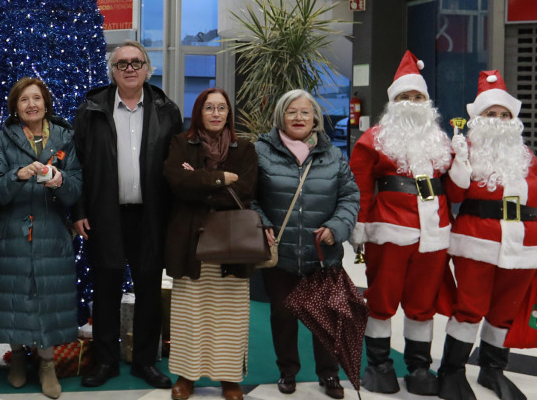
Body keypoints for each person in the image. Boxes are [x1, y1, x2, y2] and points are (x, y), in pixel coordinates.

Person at [437, 72, 537, 400]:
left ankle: (493, 369)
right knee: (470, 307)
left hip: (524, 243)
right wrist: (459, 166)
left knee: (507, 308)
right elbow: (455, 195)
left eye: (505, 115)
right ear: (478, 118)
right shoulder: (466, 149)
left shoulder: (524, 155)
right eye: (492, 114)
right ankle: (451, 370)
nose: (500, 120)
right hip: (478, 240)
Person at [73, 41, 182, 390]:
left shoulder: (167, 110)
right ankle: (104, 360)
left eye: (137, 62)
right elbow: (76, 164)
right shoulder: (91, 109)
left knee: (150, 290)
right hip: (105, 215)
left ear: (148, 68)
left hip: (152, 216)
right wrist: (78, 211)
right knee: (105, 290)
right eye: (122, 64)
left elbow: (178, 168)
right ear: (113, 72)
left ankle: (145, 362)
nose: (130, 68)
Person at [349, 52, 454, 396]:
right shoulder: (374, 139)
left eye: (417, 97)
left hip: (435, 233)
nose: (411, 103)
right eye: (405, 97)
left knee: (424, 302)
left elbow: (454, 187)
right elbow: (361, 186)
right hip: (389, 230)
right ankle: (379, 364)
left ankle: (419, 367)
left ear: (427, 102)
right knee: (382, 298)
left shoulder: (441, 140)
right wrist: (359, 227)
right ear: (393, 102)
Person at [252, 89, 359, 400]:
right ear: (280, 117)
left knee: (326, 317)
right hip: (281, 255)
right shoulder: (261, 151)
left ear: (315, 119)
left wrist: (336, 228)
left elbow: (350, 197)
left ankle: (329, 374)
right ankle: (287, 370)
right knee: (282, 317)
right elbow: (249, 197)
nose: (298, 118)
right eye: (291, 112)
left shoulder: (333, 155)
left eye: (305, 112)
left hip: (322, 256)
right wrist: (262, 224)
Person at [0, 78, 84, 399]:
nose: (31, 104)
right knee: (15, 298)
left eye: (37, 98)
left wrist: (59, 180)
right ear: (14, 107)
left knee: (47, 300)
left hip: (52, 232)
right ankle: (17, 356)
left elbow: (76, 189)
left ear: (46, 103)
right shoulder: (1, 139)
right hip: (13, 232)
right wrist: (18, 175)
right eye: (24, 100)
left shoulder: (65, 138)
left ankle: (46, 365)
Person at [162, 88, 258, 400]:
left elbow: (245, 189)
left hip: (232, 244)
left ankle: (229, 379)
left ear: (229, 113)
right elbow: (176, 183)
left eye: (221, 108)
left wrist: (200, 179)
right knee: (190, 314)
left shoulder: (244, 148)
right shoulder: (181, 143)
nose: (216, 114)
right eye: (209, 108)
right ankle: (186, 376)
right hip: (191, 244)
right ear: (199, 113)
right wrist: (219, 178)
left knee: (229, 316)